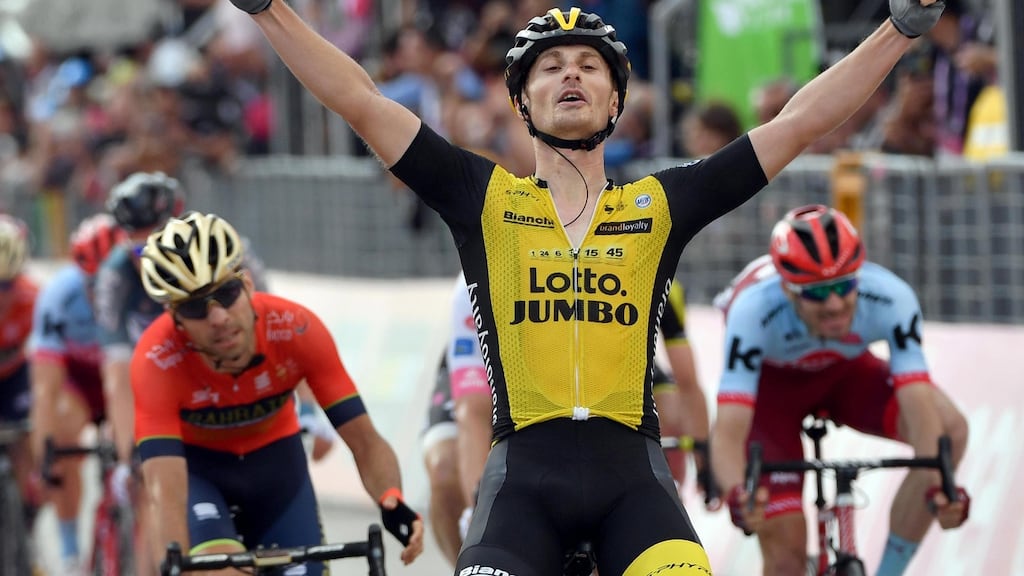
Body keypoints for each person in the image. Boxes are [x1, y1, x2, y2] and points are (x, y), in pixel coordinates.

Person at [226, 0, 948, 573]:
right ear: (522, 102)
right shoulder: (484, 199)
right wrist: (267, 10)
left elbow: (798, 124)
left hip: (631, 477)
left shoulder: (658, 206)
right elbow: (361, 99)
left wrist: (898, 27)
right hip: (523, 482)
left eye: (588, 66)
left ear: (613, 104)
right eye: (549, 66)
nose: (570, 73)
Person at [131, 212, 424, 573]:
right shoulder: (156, 359)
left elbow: (364, 440)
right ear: (175, 318)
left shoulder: (296, 329)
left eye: (226, 293)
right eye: (195, 307)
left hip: (277, 473)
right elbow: (165, 488)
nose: (218, 317)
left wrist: (391, 498)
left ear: (249, 284)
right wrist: (177, 562)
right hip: (201, 478)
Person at [710, 205, 970, 576]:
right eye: (816, 293)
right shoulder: (752, 310)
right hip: (772, 392)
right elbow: (729, 428)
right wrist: (738, 494)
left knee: (951, 429)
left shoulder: (891, 297)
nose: (834, 303)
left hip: (845, 374)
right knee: (786, 557)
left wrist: (938, 488)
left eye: (844, 286)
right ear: (787, 289)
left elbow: (917, 400)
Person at [422, 271, 712, 567]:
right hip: (494, 365)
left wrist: (703, 455)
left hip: (594, 364)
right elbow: (472, 412)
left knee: (666, 409)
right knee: (446, 471)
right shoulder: (482, 274)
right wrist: (477, 509)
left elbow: (687, 381)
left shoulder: (644, 264)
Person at [28, 213, 124, 575]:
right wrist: (46, 450)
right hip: (80, 381)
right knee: (63, 441)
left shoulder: (145, 284)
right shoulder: (59, 295)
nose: (102, 290)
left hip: (124, 373)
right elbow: (44, 387)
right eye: (93, 282)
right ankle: (69, 545)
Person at [0, 213, 40, 555]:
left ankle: (28, 508)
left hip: (13, 374)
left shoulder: (33, 297)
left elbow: (47, 358)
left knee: (26, 436)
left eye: (7, 285)